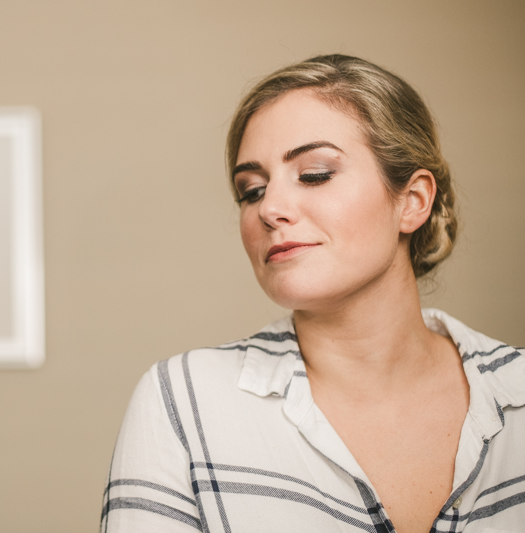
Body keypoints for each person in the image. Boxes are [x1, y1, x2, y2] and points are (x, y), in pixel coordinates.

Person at [100, 55, 525, 533]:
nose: (270, 209)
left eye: (315, 173)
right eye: (252, 190)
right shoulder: (182, 402)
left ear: (413, 201)